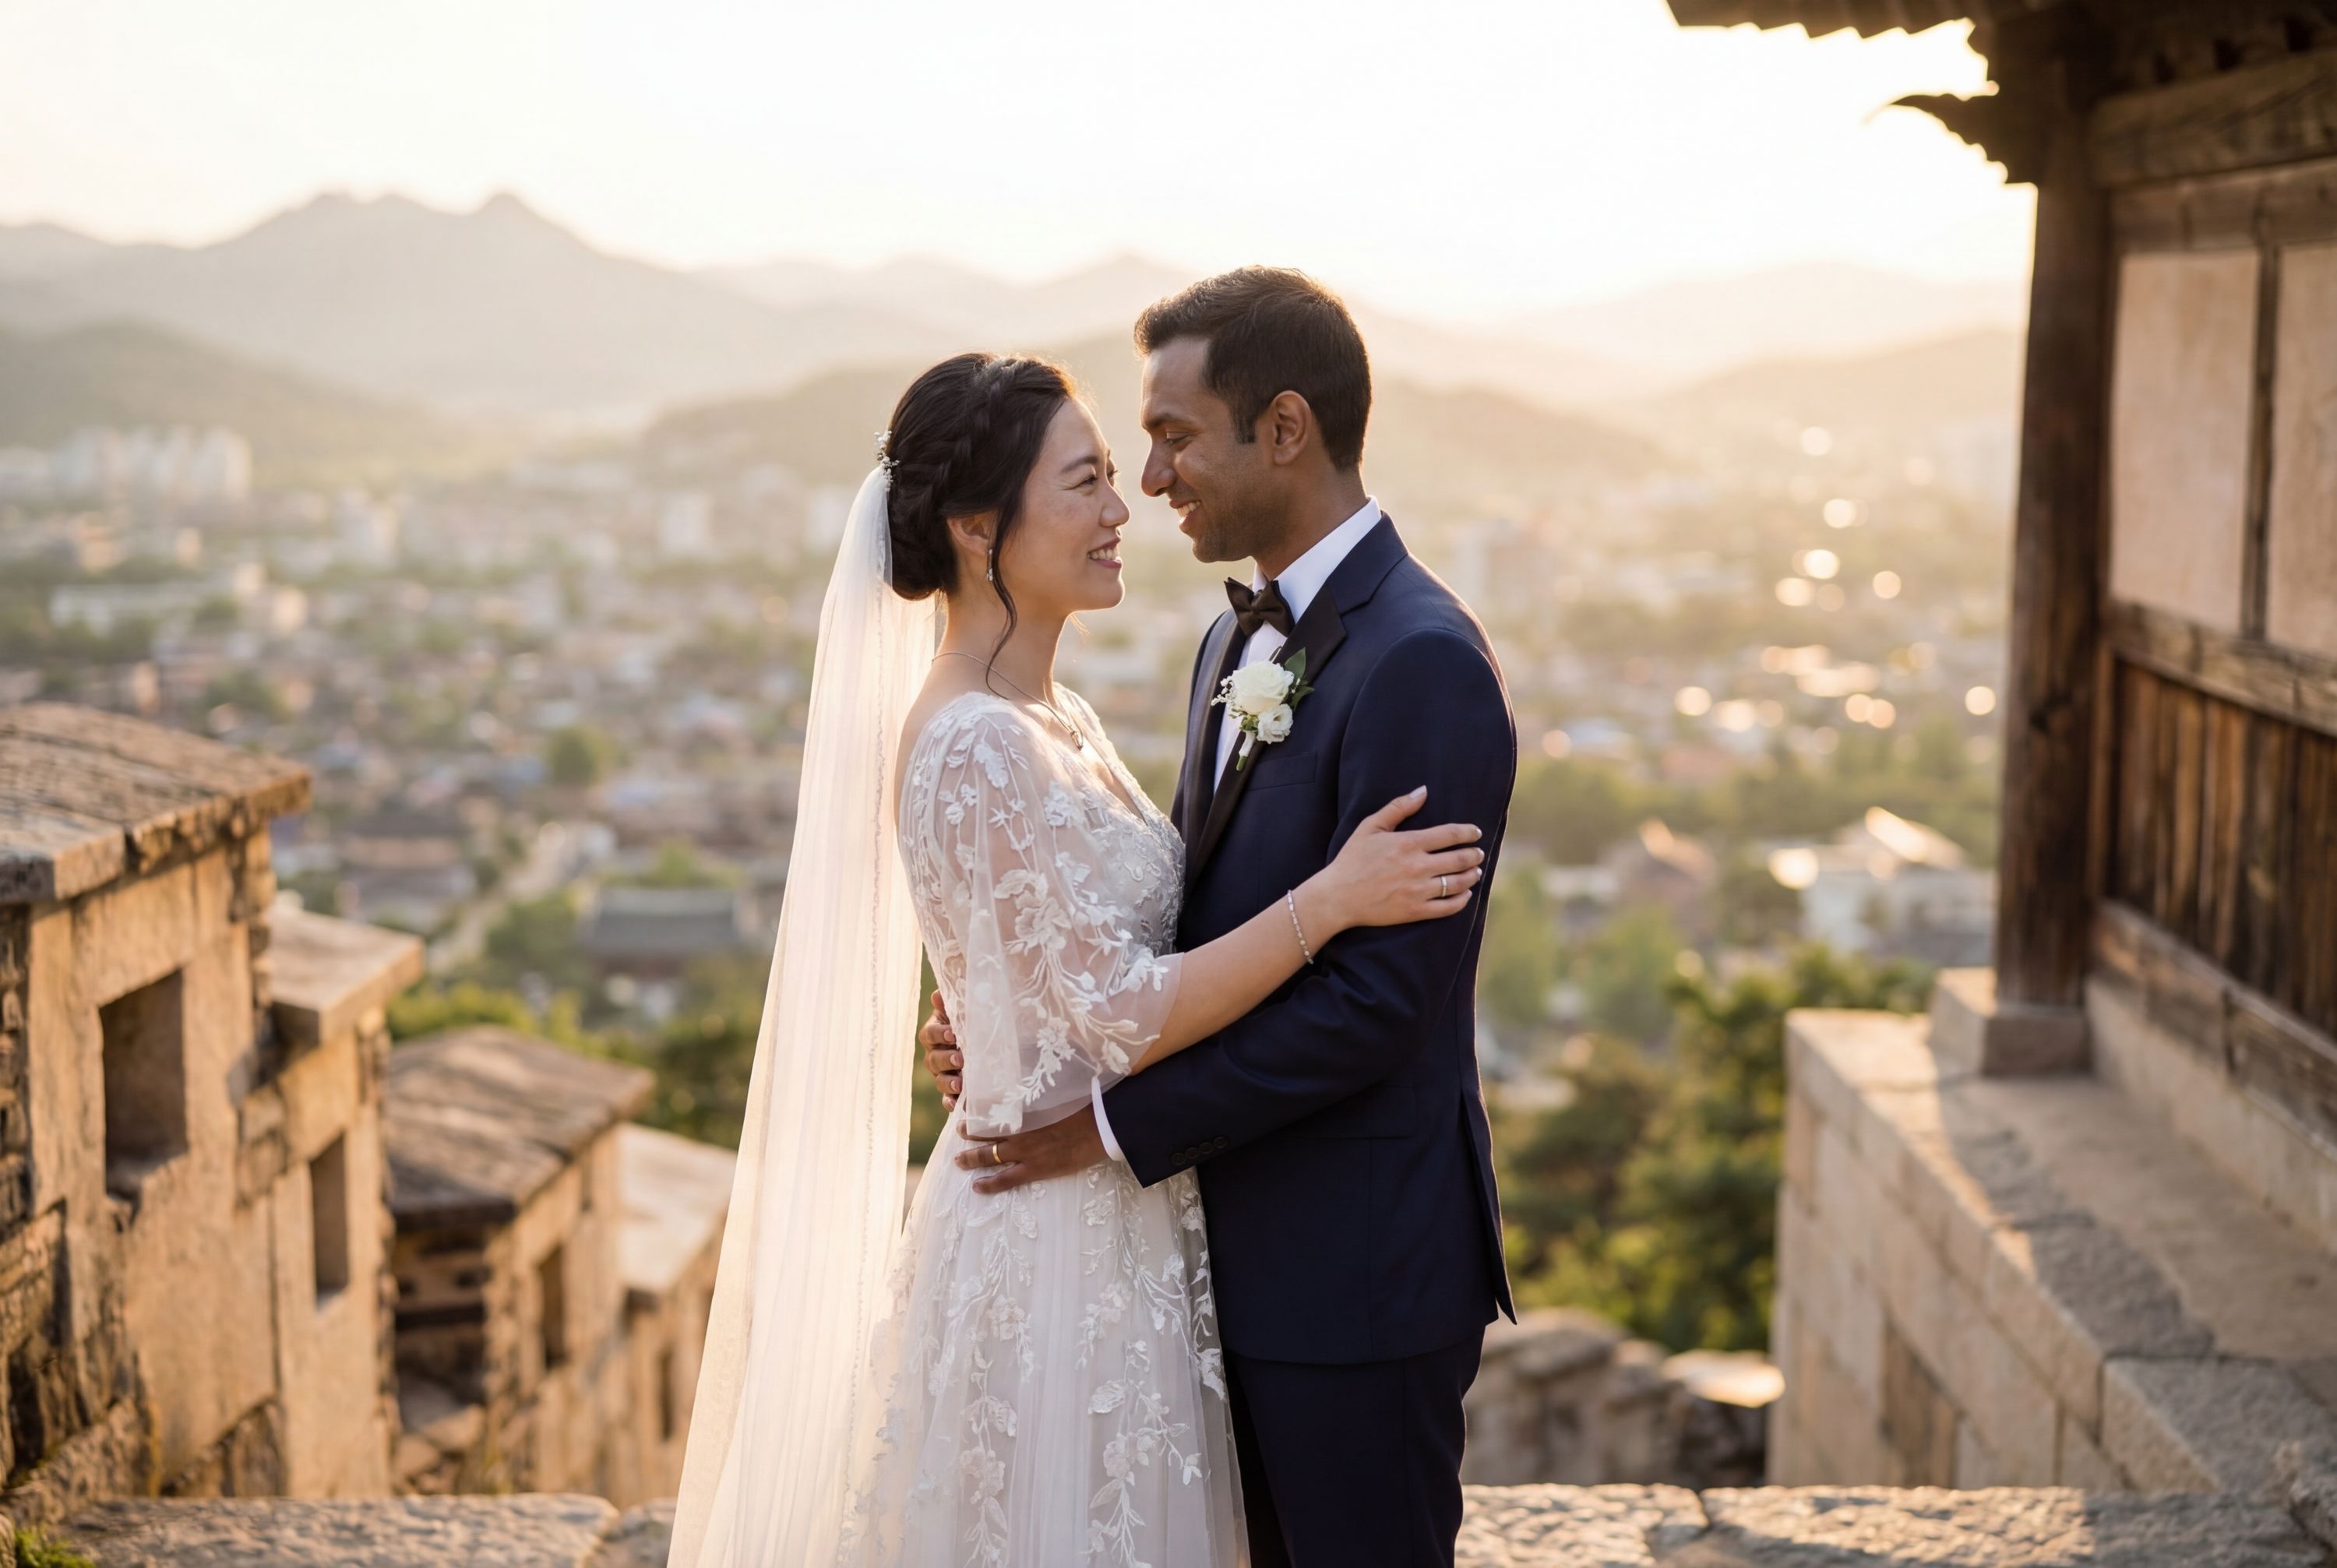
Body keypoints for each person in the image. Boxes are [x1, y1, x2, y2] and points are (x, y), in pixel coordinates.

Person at [668, 333, 1492, 1566]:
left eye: (1137, 461)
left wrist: (999, 1015)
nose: (1130, 504)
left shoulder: (1069, 716)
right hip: (1049, 1243)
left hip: (1150, 1225)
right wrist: (1328, 899)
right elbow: (1112, 1003)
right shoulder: (979, 741)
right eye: (1089, 479)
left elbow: (1093, 951)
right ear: (973, 527)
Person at [921, 268, 1517, 1566]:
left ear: (1285, 428)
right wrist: (1021, 1007)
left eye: (1177, 435)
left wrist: (1109, 1124)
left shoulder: (1421, 659)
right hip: (1197, 1268)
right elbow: (1174, 921)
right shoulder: (1229, 647)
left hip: (1350, 1273)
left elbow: (1378, 1007)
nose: (1152, 475)